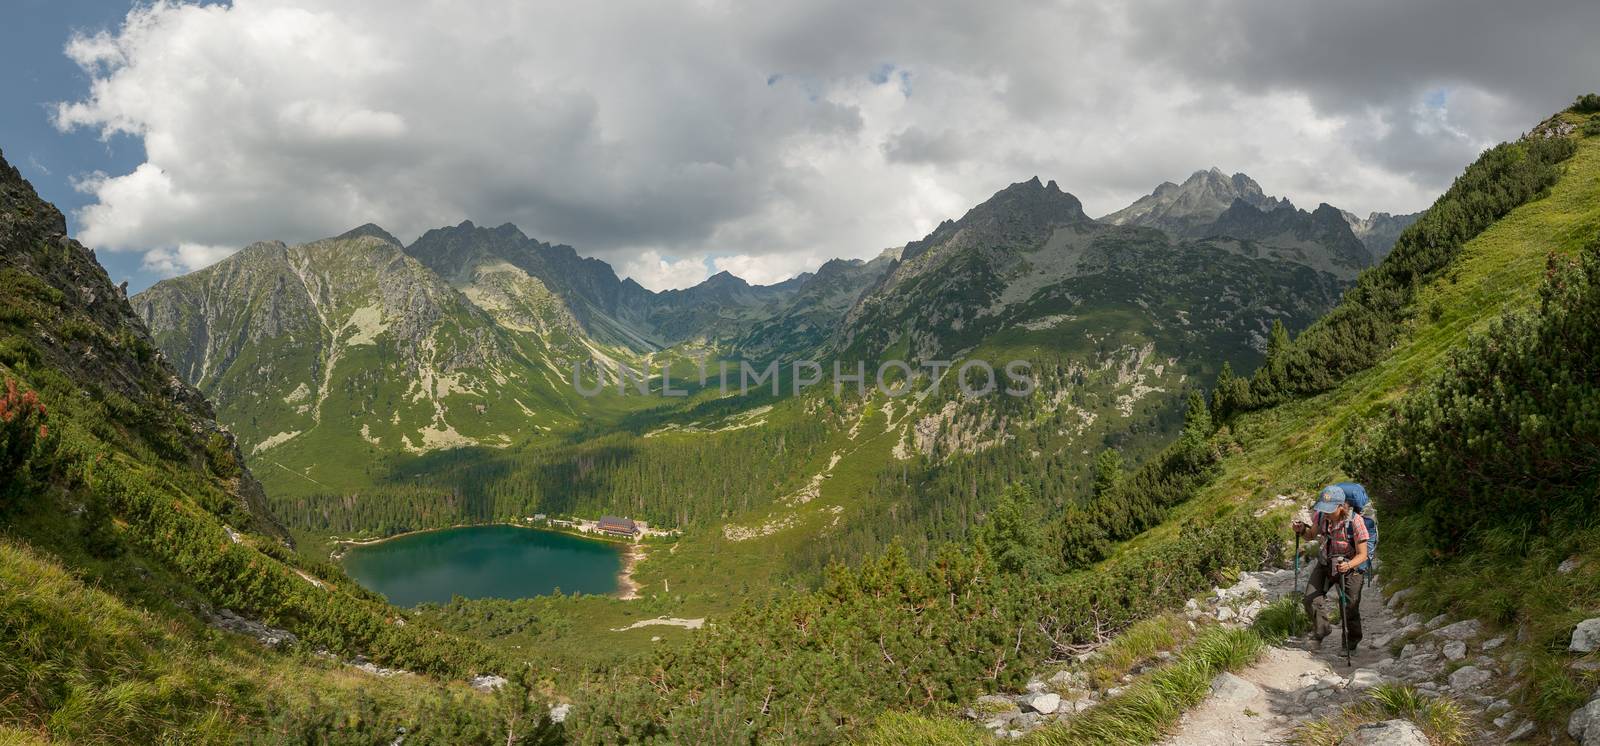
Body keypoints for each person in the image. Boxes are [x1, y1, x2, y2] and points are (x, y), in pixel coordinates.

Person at [1293, 485, 1369, 654]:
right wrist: (1301, 530)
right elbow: (1311, 535)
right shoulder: (1321, 516)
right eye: (1323, 508)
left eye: (1330, 509)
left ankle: (1350, 643)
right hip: (1326, 562)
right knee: (1310, 598)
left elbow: (1363, 554)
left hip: (1350, 566)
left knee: (1350, 607)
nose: (1326, 512)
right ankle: (1322, 629)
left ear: (1341, 506)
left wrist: (1348, 565)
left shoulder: (1355, 522)